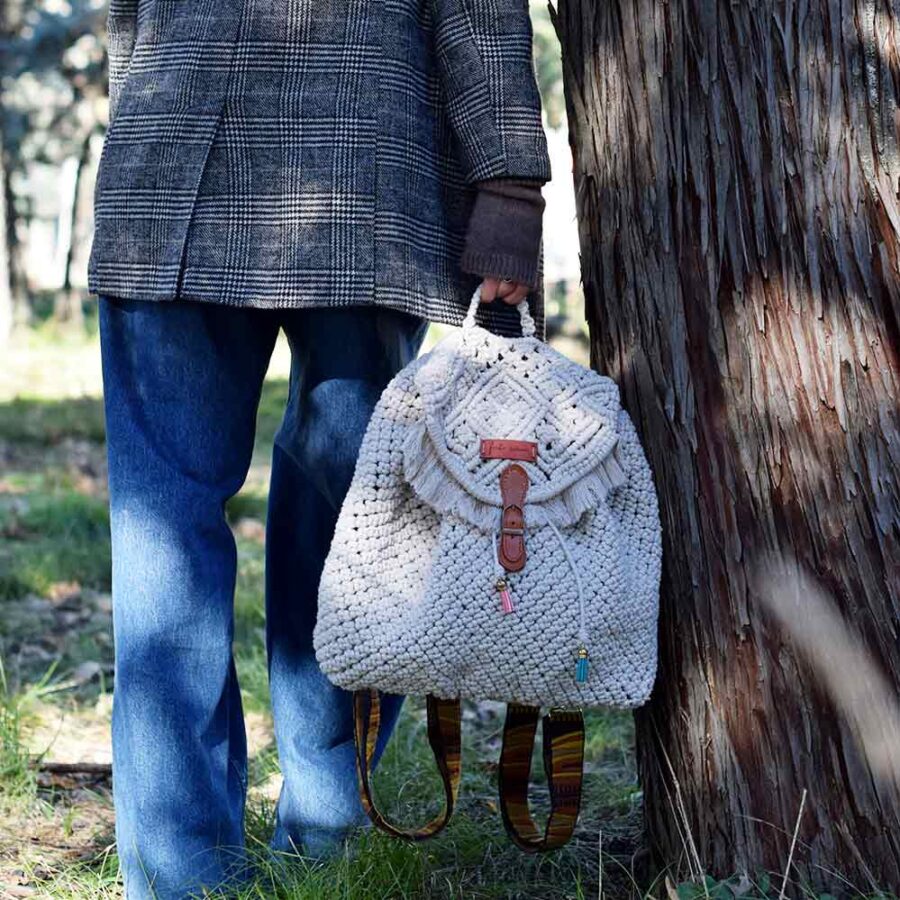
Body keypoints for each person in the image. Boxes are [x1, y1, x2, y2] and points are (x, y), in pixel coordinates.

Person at [89, 1, 550, 896]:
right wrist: (506, 185)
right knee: (307, 537)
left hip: (216, 164)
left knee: (284, 534)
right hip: (333, 170)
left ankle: (234, 862)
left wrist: (509, 189)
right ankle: (280, 850)